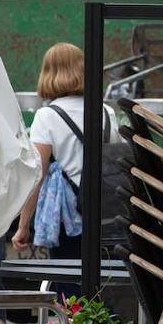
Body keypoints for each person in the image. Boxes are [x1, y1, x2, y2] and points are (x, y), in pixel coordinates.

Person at [12, 42, 119, 263]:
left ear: (48, 73)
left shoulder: (47, 116)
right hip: (106, 213)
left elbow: (37, 174)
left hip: (68, 218)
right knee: (104, 277)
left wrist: (23, 225)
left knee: (69, 280)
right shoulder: (107, 112)